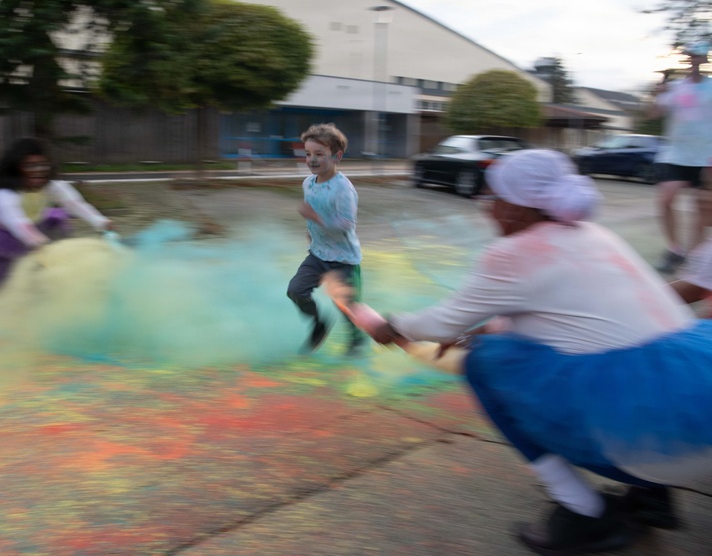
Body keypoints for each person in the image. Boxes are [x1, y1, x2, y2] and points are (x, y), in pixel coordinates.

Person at [332, 149, 712, 554]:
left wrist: (391, 327)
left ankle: (584, 513)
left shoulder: (513, 253)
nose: (488, 210)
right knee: (538, 351)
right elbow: (546, 318)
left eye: (492, 199)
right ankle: (650, 499)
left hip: (653, 441)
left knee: (487, 363)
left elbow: (440, 325)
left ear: (517, 207)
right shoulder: (595, 235)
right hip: (699, 410)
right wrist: (475, 330)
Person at [0, 137, 112, 291]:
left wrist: (101, 222)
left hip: (37, 225)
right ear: (17, 168)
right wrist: (37, 241)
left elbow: (74, 204)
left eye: (42, 166)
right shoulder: (4, 194)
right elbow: (16, 221)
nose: (37, 171)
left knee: (58, 226)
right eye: (30, 166)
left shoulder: (53, 187)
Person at [286, 123, 366, 355]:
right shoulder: (308, 183)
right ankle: (319, 323)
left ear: (337, 156)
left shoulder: (343, 189)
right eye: (308, 154)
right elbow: (315, 213)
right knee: (296, 290)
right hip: (318, 254)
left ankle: (356, 344)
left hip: (343, 259)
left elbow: (346, 224)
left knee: (347, 307)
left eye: (319, 154)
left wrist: (316, 218)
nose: (311, 159)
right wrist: (311, 230)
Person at [649, 40, 712, 274]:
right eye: (689, 56)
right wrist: (656, 95)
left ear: (704, 59)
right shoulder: (675, 87)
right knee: (666, 199)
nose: (693, 60)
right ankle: (675, 250)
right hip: (674, 153)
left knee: (701, 210)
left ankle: (694, 257)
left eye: (697, 56)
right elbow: (654, 114)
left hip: (705, 156)